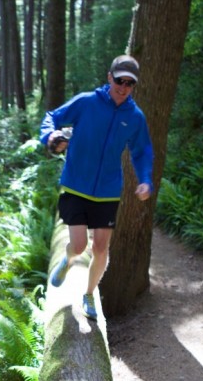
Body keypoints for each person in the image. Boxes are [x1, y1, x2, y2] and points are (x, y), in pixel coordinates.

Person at [41, 54, 154, 320]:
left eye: (130, 83)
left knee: (101, 247)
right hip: (76, 185)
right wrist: (51, 136)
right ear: (109, 78)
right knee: (79, 246)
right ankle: (68, 260)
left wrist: (145, 179)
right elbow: (52, 117)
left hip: (108, 190)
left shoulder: (135, 117)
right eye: (119, 80)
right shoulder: (86, 102)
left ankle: (89, 294)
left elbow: (142, 150)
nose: (123, 87)